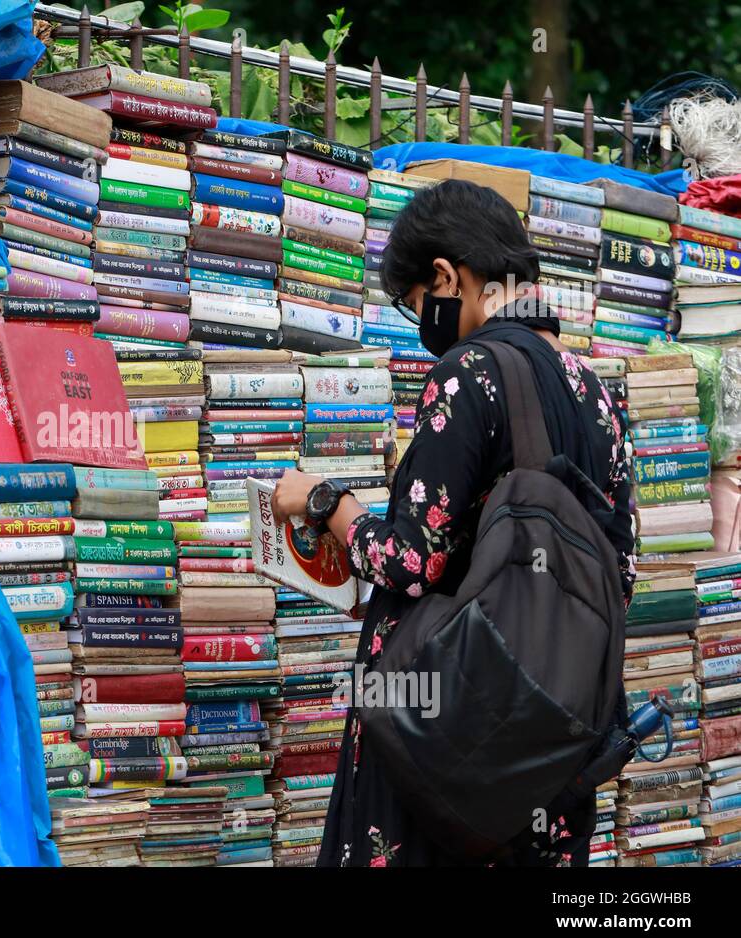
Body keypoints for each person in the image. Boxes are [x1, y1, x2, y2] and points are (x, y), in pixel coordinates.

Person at [271, 179, 636, 866]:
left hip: (442, 736)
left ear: (447, 276)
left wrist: (330, 504)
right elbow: (620, 574)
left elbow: (414, 562)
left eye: (419, 308)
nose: (425, 325)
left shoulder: (468, 372)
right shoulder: (596, 393)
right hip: (549, 747)